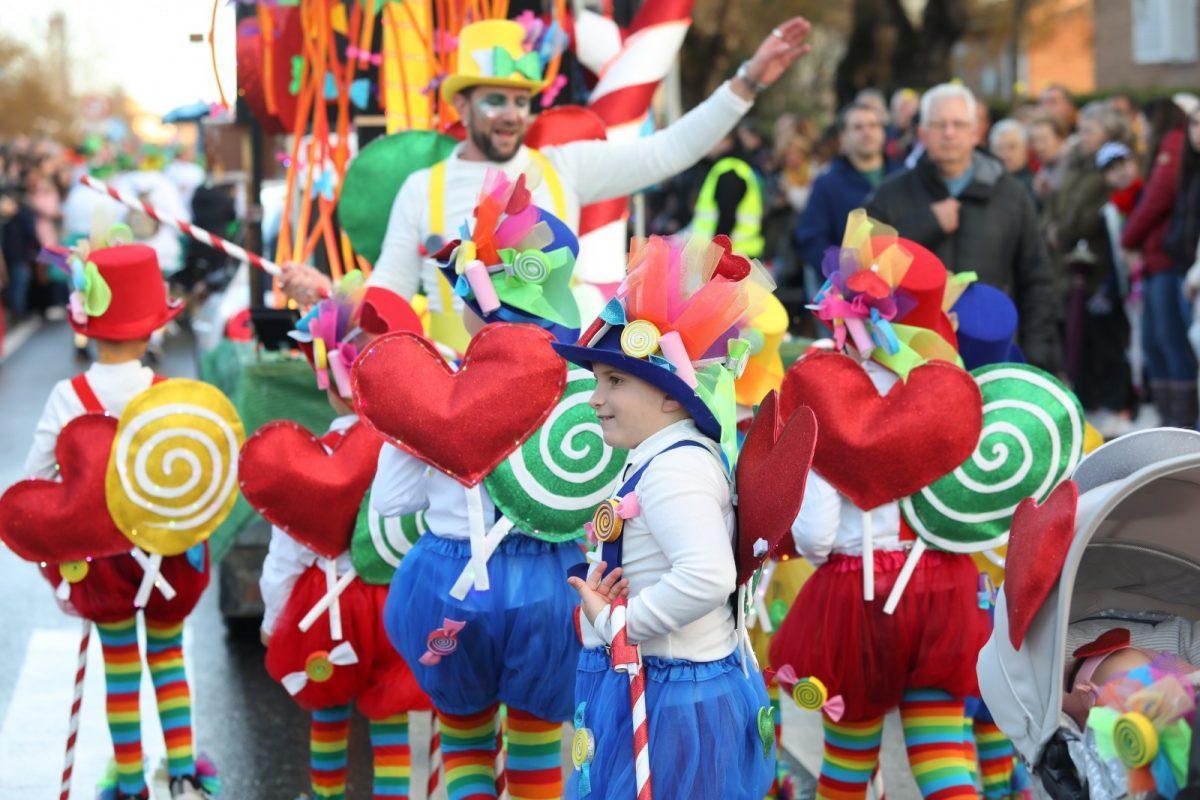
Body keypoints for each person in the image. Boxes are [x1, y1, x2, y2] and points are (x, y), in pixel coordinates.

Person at [279, 16, 814, 310]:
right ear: (461, 106)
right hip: (451, 394)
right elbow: (389, 294)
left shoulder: (564, 167)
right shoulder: (422, 188)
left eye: (520, 100)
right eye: (495, 100)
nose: (511, 114)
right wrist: (329, 299)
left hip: (554, 397)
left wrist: (747, 82)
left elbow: (666, 152)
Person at [370, 177, 591, 800]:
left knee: (464, 739)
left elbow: (390, 504)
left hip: (449, 582)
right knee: (535, 746)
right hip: (554, 585)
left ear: (478, 301)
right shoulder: (584, 391)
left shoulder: (436, 384)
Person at [770, 221, 991, 800]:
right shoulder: (950, 389)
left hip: (856, 591)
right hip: (943, 585)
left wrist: (821, 557)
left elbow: (814, 527)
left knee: (847, 760)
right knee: (942, 754)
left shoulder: (822, 389)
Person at [552, 232, 778, 800]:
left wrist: (622, 624)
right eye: (597, 381)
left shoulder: (675, 469)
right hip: (661, 681)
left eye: (616, 381)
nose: (594, 398)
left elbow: (706, 576)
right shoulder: (658, 456)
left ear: (673, 395)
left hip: (677, 694)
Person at [20, 242, 217, 800]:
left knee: (121, 666)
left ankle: (131, 783)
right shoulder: (171, 394)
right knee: (168, 653)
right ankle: (182, 772)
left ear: (87, 326)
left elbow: (38, 473)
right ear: (153, 331)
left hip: (102, 559)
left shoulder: (69, 396)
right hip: (167, 552)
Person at [252, 277, 430, 800]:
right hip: (399, 601)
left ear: (324, 377)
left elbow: (287, 547)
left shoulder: (317, 455)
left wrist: (273, 615)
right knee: (393, 717)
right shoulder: (413, 450)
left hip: (328, 606)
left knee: (326, 709)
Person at [865, 83, 1059, 372]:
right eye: (939, 124)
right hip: (909, 363)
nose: (949, 133)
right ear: (922, 133)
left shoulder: (1011, 195)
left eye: (959, 124)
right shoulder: (890, 195)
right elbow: (865, 270)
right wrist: (928, 223)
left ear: (975, 132)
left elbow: (1037, 280)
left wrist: (1035, 358)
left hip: (994, 356)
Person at [1043, 101, 1135, 418]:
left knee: (1104, 338)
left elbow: (1094, 213)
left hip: (1100, 264)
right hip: (1069, 262)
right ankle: (1090, 401)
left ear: (1108, 133)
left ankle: (1115, 403)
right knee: (1080, 338)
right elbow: (1058, 202)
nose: (1081, 135)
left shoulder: (1111, 166)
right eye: (1080, 129)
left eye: (1088, 130)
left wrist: (1065, 232)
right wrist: (1052, 229)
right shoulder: (1074, 164)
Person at [1122, 98, 1195, 427]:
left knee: (1171, 345)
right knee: (1157, 345)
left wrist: (1128, 237)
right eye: (1193, 123)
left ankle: (1182, 434)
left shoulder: (1172, 144)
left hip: (1170, 263)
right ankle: (1170, 427)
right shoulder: (1181, 152)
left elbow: (1158, 198)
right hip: (1161, 259)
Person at [794, 102, 897, 286]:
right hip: (848, 296)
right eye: (858, 127)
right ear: (843, 137)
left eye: (873, 125)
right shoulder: (827, 184)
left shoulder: (902, 177)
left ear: (883, 132)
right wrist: (844, 276)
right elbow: (811, 239)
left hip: (900, 286)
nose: (867, 132)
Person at [692, 131, 766, 257]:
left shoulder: (729, 170)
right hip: (738, 254)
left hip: (732, 258)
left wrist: (717, 253)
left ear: (728, 141)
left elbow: (727, 215)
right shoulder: (735, 167)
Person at [988, 119, 1035, 197]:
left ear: (1025, 149)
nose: (1005, 155)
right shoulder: (985, 184)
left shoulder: (1036, 187)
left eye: (1012, 147)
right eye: (999, 148)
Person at [1029, 113, 1071, 202]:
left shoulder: (1073, 167)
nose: (1038, 146)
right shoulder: (1046, 168)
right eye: (1034, 140)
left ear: (1060, 139)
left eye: (1043, 140)